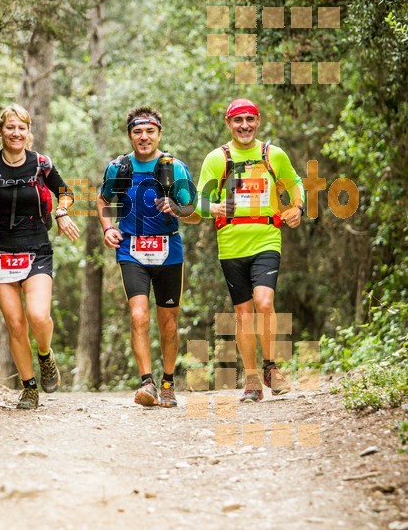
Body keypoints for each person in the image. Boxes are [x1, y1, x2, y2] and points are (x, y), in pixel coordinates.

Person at [0, 104, 79, 409]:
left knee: (38, 316)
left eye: (22, 128)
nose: (16, 133)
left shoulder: (41, 164)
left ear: (28, 132)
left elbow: (66, 192)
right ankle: (29, 387)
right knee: (16, 324)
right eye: (10, 127)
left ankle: (45, 355)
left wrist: (61, 213)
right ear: (1, 131)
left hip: (36, 247)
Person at [196, 98, 305, 403]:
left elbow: (295, 183)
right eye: (238, 120)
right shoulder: (217, 159)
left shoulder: (273, 155)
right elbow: (201, 202)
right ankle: (252, 379)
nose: (244, 126)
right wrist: (213, 207)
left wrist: (298, 207)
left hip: (266, 238)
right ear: (228, 124)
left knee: (264, 302)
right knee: (244, 314)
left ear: (258, 122)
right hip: (230, 244)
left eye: (250, 119)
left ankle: (271, 367)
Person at [97, 106, 199, 408]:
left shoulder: (174, 168)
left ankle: (168, 382)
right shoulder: (119, 167)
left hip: (169, 250)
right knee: (138, 316)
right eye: (138, 131)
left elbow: (194, 215)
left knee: (168, 322)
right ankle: (147, 382)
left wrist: (177, 208)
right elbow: (103, 200)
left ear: (159, 134)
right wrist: (107, 227)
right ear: (130, 135)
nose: (144, 137)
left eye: (150, 131)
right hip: (131, 250)